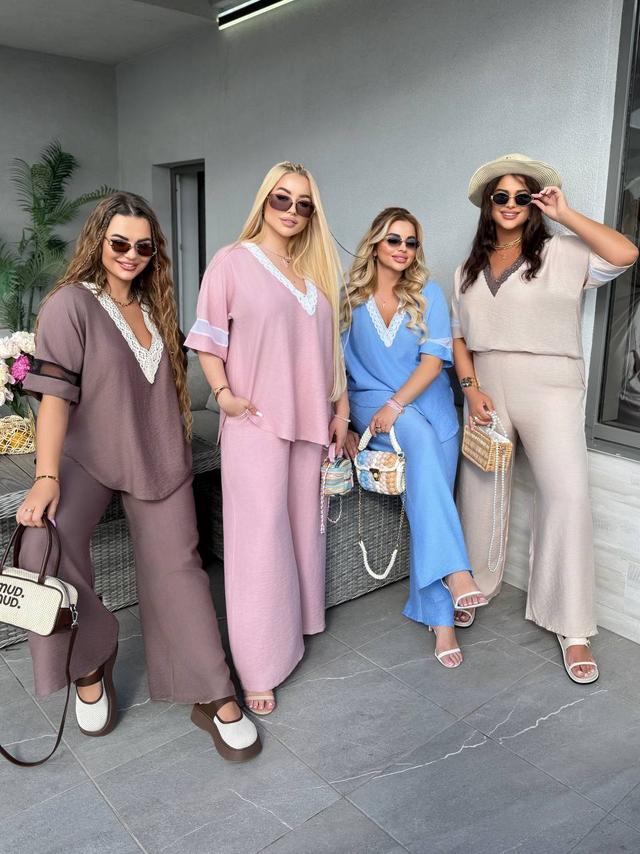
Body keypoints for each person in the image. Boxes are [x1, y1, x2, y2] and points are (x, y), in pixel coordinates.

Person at [16, 192, 261, 761]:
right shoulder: (71, 304)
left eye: (143, 246)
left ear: (154, 252)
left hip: (157, 456)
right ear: (98, 242)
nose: (131, 254)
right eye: (119, 243)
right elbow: (53, 398)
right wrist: (46, 476)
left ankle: (212, 693)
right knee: (40, 542)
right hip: (86, 456)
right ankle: (88, 660)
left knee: (179, 569)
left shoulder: (157, 307)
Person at [452, 153, 638, 683]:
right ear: (488, 205)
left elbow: (626, 252)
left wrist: (565, 212)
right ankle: (475, 583)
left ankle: (571, 625)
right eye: (500, 196)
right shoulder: (467, 269)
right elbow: (459, 338)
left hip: (551, 383)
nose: (510, 204)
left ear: (533, 203)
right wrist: (470, 389)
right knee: (480, 487)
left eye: (521, 196)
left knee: (567, 495)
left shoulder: (561, 252)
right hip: (487, 383)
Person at [185, 162, 349, 713]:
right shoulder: (232, 261)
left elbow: (330, 356)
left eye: (304, 203)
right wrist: (224, 394)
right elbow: (208, 338)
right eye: (283, 198)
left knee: (303, 531)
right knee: (258, 542)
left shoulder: (310, 274)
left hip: (311, 426)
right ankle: (258, 666)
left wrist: (340, 410)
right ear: (264, 200)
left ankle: (294, 633)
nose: (292, 211)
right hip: (255, 423)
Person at [342, 207, 486, 668]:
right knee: (420, 441)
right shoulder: (348, 300)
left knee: (430, 498)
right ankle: (457, 573)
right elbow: (335, 370)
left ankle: (440, 621)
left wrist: (397, 404)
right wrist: (346, 422)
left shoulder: (429, 294)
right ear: (375, 245)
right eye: (394, 240)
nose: (403, 249)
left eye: (411, 242)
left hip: (428, 404)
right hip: (372, 403)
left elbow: (431, 364)